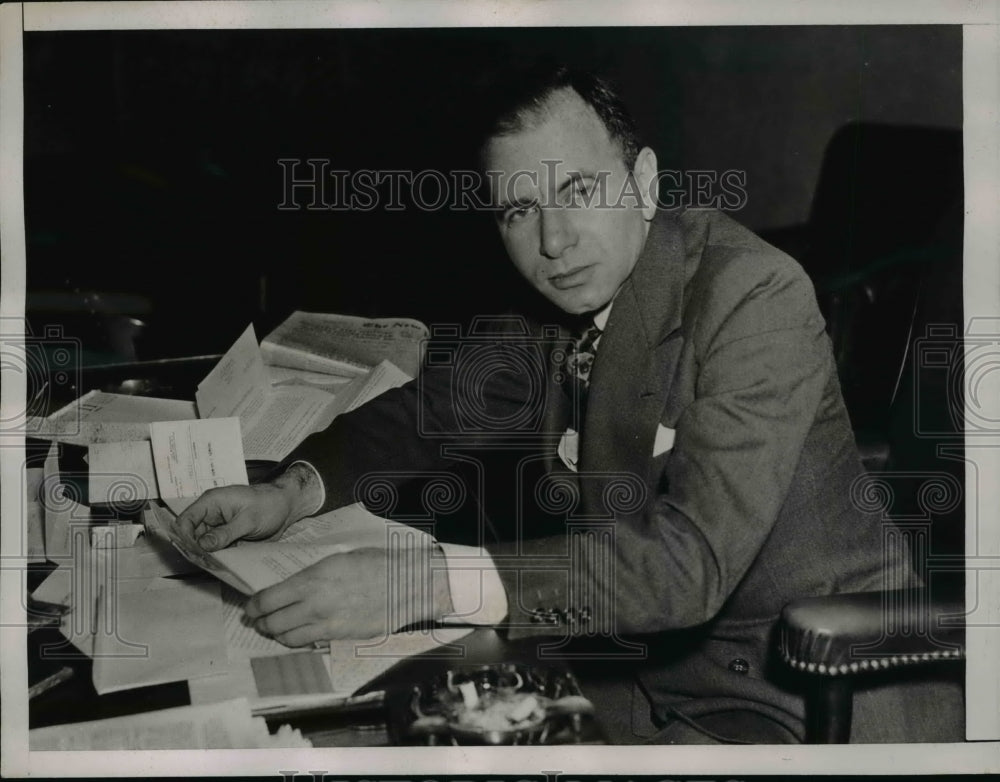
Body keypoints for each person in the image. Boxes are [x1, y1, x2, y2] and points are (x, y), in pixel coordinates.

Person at [173, 64, 962, 743]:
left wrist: (422, 582)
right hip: (633, 675)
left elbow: (687, 563)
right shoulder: (557, 303)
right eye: (518, 211)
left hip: (804, 698)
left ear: (643, 182)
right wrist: (288, 492)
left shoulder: (754, 296)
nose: (553, 241)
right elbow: (427, 413)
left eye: (577, 190)